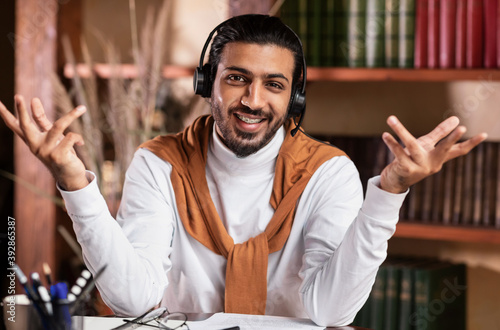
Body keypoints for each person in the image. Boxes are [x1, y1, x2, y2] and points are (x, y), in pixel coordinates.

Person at [0, 14, 486, 327]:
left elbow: (330, 310)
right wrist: (73, 180)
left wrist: (392, 189)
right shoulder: (158, 161)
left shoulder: (328, 173)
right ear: (208, 83)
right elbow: (132, 300)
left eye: (273, 84)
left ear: (292, 97)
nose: (253, 101)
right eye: (237, 79)